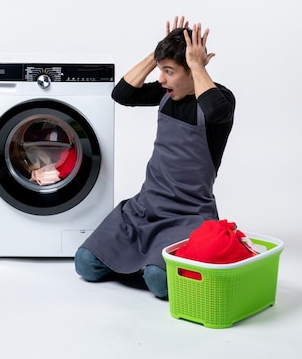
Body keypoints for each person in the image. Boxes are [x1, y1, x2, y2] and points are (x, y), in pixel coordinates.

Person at [74, 16, 235, 299]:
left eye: (169, 72)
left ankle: (146, 264)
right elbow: (122, 93)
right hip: (145, 206)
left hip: (189, 216)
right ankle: (141, 260)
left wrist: (197, 63)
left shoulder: (219, 100)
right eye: (161, 71)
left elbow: (213, 111)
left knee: (159, 281)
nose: (161, 79)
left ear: (192, 71)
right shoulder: (166, 94)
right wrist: (158, 53)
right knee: (85, 263)